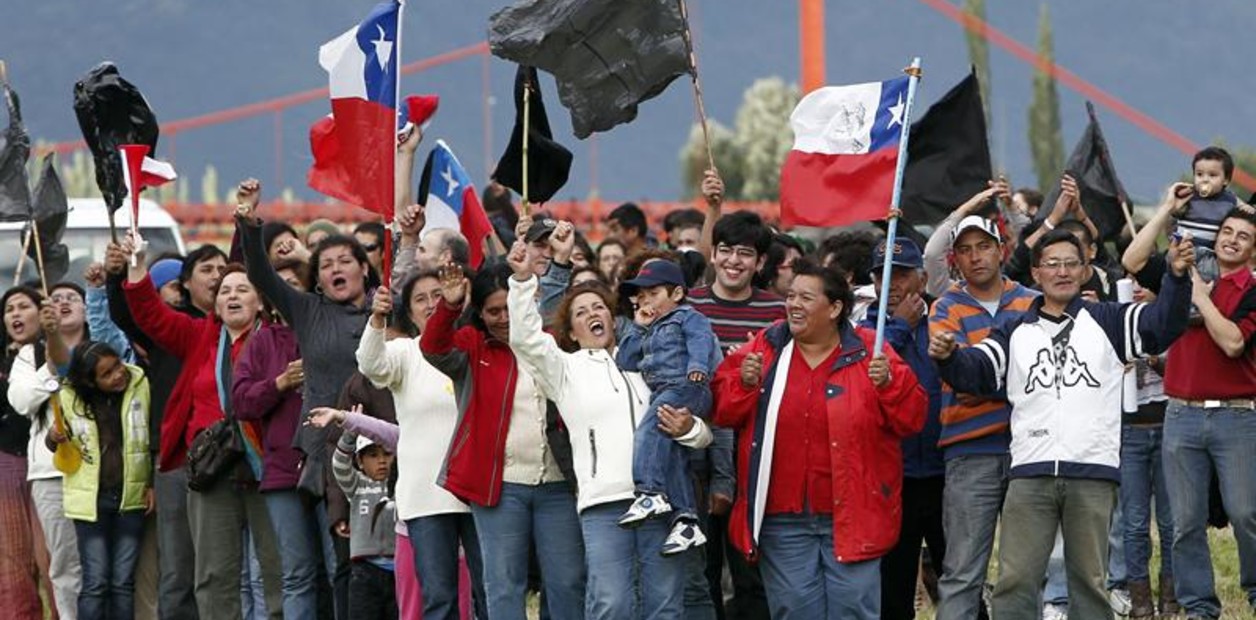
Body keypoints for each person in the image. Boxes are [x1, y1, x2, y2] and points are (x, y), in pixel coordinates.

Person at [928, 228, 1194, 620]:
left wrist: (1175, 276)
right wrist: (950, 358)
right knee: (1016, 579)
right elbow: (980, 372)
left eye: (1072, 263)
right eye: (1052, 264)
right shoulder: (1015, 329)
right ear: (1036, 274)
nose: (1062, 271)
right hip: (1030, 472)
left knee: (1089, 580)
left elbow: (1161, 325)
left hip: (1092, 470)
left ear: (1086, 269)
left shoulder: (1108, 320)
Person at [505, 237, 714, 620]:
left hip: (663, 501)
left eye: (599, 306)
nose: (592, 314)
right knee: (612, 605)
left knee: (665, 607)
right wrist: (520, 283)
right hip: (603, 504)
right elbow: (525, 340)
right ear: (569, 330)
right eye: (581, 312)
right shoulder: (564, 370)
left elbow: (702, 434)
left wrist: (688, 429)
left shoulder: (649, 365)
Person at [712, 257, 926, 619]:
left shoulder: (870, 350)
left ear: (835, 307)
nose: (793, 304)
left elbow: (912, 420)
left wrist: (890, 384)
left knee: (853, 611)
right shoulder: (768, 345)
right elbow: (724, 412)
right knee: (795, 612)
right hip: (784, 519)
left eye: (806, 298)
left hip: (855, 512)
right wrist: (744, 383)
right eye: (791, 295)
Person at [117, 242, 284, 620]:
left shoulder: (279, 338)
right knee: (213, 573)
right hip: (214, 469)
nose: (232, 295)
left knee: (276, 569)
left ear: (261, 301)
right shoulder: (199, 335)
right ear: (215, 304)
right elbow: (150, 315)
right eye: (225, 290)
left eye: (243, 289)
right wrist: (137, 266)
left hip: (268, 466)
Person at [420, 260, 585, 620]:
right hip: (500, 486)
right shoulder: (472, 345)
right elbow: (433, 347)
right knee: (503, 584)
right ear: (479, 312)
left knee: (568, 583)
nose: (504, 318)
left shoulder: (551, 344)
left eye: (510, 308)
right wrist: (449, 306)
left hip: (558, 484)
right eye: (493, 311)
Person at [353, 268, 487, 620]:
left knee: (491, 593)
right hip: (426, 494)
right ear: (409, 312)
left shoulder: (475, 348)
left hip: (479, 489)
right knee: (439, 599)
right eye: (421, 299)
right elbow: (370, 365)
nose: (432, 304)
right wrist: (377, 319)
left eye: (438, 294)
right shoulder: (405, 352)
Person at [927, 213, 1039, 620]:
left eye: (984, 246)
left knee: (1024, 570)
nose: (976, 257)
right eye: (965, 250)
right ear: (955, 259)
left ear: (1001, 249)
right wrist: (1001, 378)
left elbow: (1035, 377)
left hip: (1030, 448)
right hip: (969, 452)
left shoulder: (1032, 300)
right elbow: (965, 380)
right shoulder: (945, 307)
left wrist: (981, 370)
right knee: (961, 570)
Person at [1155, 207, 1256, 620]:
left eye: (1243, 236)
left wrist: (1201, 298)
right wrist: (1165, 210)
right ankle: (1199, 608)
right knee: (1184, 522)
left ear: (1253, 249)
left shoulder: (1251, 289)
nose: (1232, 239)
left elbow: (1233, 343)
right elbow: (1132, 261)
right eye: (1226, 231)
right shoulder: (1183, 277)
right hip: (1180, 415)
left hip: (1237, 416)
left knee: (1247, 514)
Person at [688, 207, 781, 620]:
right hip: (695, 457)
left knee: (752, 571)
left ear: (760, 263)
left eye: (745, 253)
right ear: (712, 254)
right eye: (725, 250)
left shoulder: (778, 313)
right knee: (700, 570)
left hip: (755, 455)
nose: (733, 261)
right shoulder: (688, 308)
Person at [230, 258, 326, 619]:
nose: (287, 293)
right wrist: (279, 384)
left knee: (338, 569)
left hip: (332, 467)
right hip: (283, 470)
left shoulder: (327, 329)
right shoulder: (263, 341)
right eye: (279, 285)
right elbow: (241, 401)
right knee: (297, 573)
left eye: (294, 284)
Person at [859, 238, 946, 620]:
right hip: (893, 477)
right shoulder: (863, 330)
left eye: (902, 274)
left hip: (945, 472)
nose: (891, 284)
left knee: (957, 577)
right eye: (882, 276)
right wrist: (899, 327)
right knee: (893, 585)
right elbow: (866, 381)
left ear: (923, 278)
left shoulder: (944, 322)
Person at [614, 259, 720, 555]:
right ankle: (686, 522)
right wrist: (637, 327)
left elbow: (701, 339)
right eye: (641, 296)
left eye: (654, 293)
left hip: (687, 386)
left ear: (676, 294)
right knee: (672, 455)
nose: (646, 301)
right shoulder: (647, 330)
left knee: (648, 432)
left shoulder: (687, 317)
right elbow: (625, 361)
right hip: (666, 391)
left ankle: (649, 492)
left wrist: (698, 366)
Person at [52, 341, 153, 620]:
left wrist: (151, 483)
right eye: (107, 374)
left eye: (117, 365)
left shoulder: (140, 383)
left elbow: (149, 436)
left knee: (122, 582)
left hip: (130, 498)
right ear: (90, 382)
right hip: (90, 501)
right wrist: (53, 437)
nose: (118, 374)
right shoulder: (70, 397)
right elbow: (60, 448)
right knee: (96, 581)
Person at [8, 284, 87, 620]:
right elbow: (23, 401)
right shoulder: (30, 355)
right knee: (64, 565)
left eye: (72, 298)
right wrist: (54, 366)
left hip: (104, 471)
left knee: (105, 562)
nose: (63, 304)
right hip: (53, 473)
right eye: (55, 300)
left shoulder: (102, 346)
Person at [1115, 279, 1178, 619]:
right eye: (1131, 281)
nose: (1138, 287)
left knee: (1171, 522)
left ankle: (1171, 598)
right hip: (1131, 433)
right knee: (1135, 521)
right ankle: (1140, 601)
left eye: (1145, 281)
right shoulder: (1117, 320)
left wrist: (1153, 359)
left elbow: (1183, 371)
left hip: (1169, 427)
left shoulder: (1172, 320)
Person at [0, 286, 52, 619]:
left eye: (24, 306)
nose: (16, 314)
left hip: (52, 466)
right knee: (13, 559)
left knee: (53, 559)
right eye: (9, 309)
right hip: (9, 462)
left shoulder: (58, 352)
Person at [331, 428, 398, 620]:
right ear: (360, 461)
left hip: (399, 571)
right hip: (364, 572)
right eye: (373, 455)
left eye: (387, 454)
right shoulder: (356, 485)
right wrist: (350, 433)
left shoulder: (401, 485)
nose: (382, 461)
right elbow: (339, 464)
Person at [1174, 146, 1240, 283]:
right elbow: (1174, 210)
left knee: (1207, 280)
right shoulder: (1189, 194)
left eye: (1212, 175)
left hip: (1208, 254)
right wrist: (1176, 202)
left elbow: (1241, 209)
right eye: (1199, 174)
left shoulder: (1228, 200)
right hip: (1182, 249)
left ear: (1225, 180)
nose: (1205, 180)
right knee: (1175, 279)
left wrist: (1246, 207)